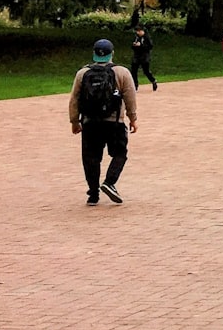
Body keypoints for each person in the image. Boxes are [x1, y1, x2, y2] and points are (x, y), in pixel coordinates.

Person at [68, 39, 138, 205]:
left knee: (91, 157)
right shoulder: (121, 72)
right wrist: (133, 118)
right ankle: (110, 182)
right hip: (114, 122)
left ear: (94, 53)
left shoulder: (82, 73)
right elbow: (130, 96)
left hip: (90, 122)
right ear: (112, 53)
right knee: (120, 153)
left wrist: (74, 121)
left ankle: (93, 194)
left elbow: (74, 99)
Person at [129, 24, 158, 91]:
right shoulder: (136, 37)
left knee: (146, 71)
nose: (138, 32)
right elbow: (132, 47)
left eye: (139, 31)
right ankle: (135, 85)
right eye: (137, 31)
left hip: (144, 56)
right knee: (134, 71)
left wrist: (141, 45)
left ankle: (153, 81)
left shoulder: (147, 37)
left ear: (142, 31)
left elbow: (150, 47)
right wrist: (134, 45)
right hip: (136, 56)